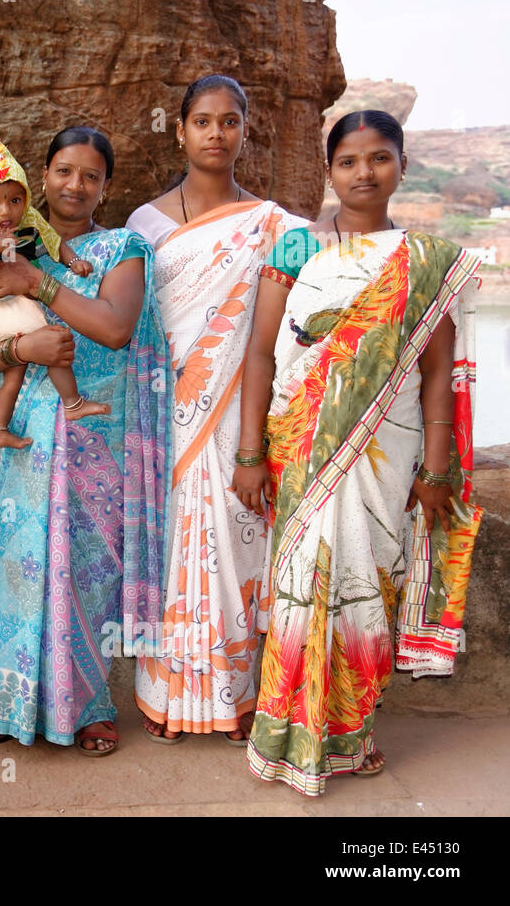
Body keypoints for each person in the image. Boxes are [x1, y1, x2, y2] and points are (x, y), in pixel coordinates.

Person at [233, 110, 482, 795]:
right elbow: (259, 354)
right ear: (329, 170)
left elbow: (437, 373)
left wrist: (436, 465)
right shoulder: (295, 251)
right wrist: (249, 450)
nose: (364, 172)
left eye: (379, 158)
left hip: (386, 454)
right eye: (348, 161)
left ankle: (351, 728)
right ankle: (286, 731)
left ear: (401, 164)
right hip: (301, 449)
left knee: (367, 587)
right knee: (301, 591)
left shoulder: (423, 263)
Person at [0, 126, 170, 756]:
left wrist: (40, 282)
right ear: (41, 179)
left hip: (100, 431)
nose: (74, 184)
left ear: (106, 187)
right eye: (62, 170)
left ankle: (87, 708)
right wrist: (17, 348)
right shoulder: (8, 250)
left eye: (89, 174)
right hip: (31, 429)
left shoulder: (122, 248)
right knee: (24, 567)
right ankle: (8, 703)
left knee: (90, 568)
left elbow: (114, 328)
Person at [125, 75, 305, 746]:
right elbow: (131, 324)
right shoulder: (143, 225)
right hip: (159, 419)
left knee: (234, 547)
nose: (215, 133)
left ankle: (233, 699)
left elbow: (295, 323)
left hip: (236, 420)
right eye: (202, 121)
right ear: (180, 130)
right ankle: (164, 698)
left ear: (245, 131)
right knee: (167, 552)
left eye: (230, 121)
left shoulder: (273, 225)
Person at [0, 125, 108, 450]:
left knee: (13, 375)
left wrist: (72, 260)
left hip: (12, 309)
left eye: (14, 200)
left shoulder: (29, 232)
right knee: (53, 342)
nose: (5, 211)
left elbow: (51, 241)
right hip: (2, 310)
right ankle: (73, 402)